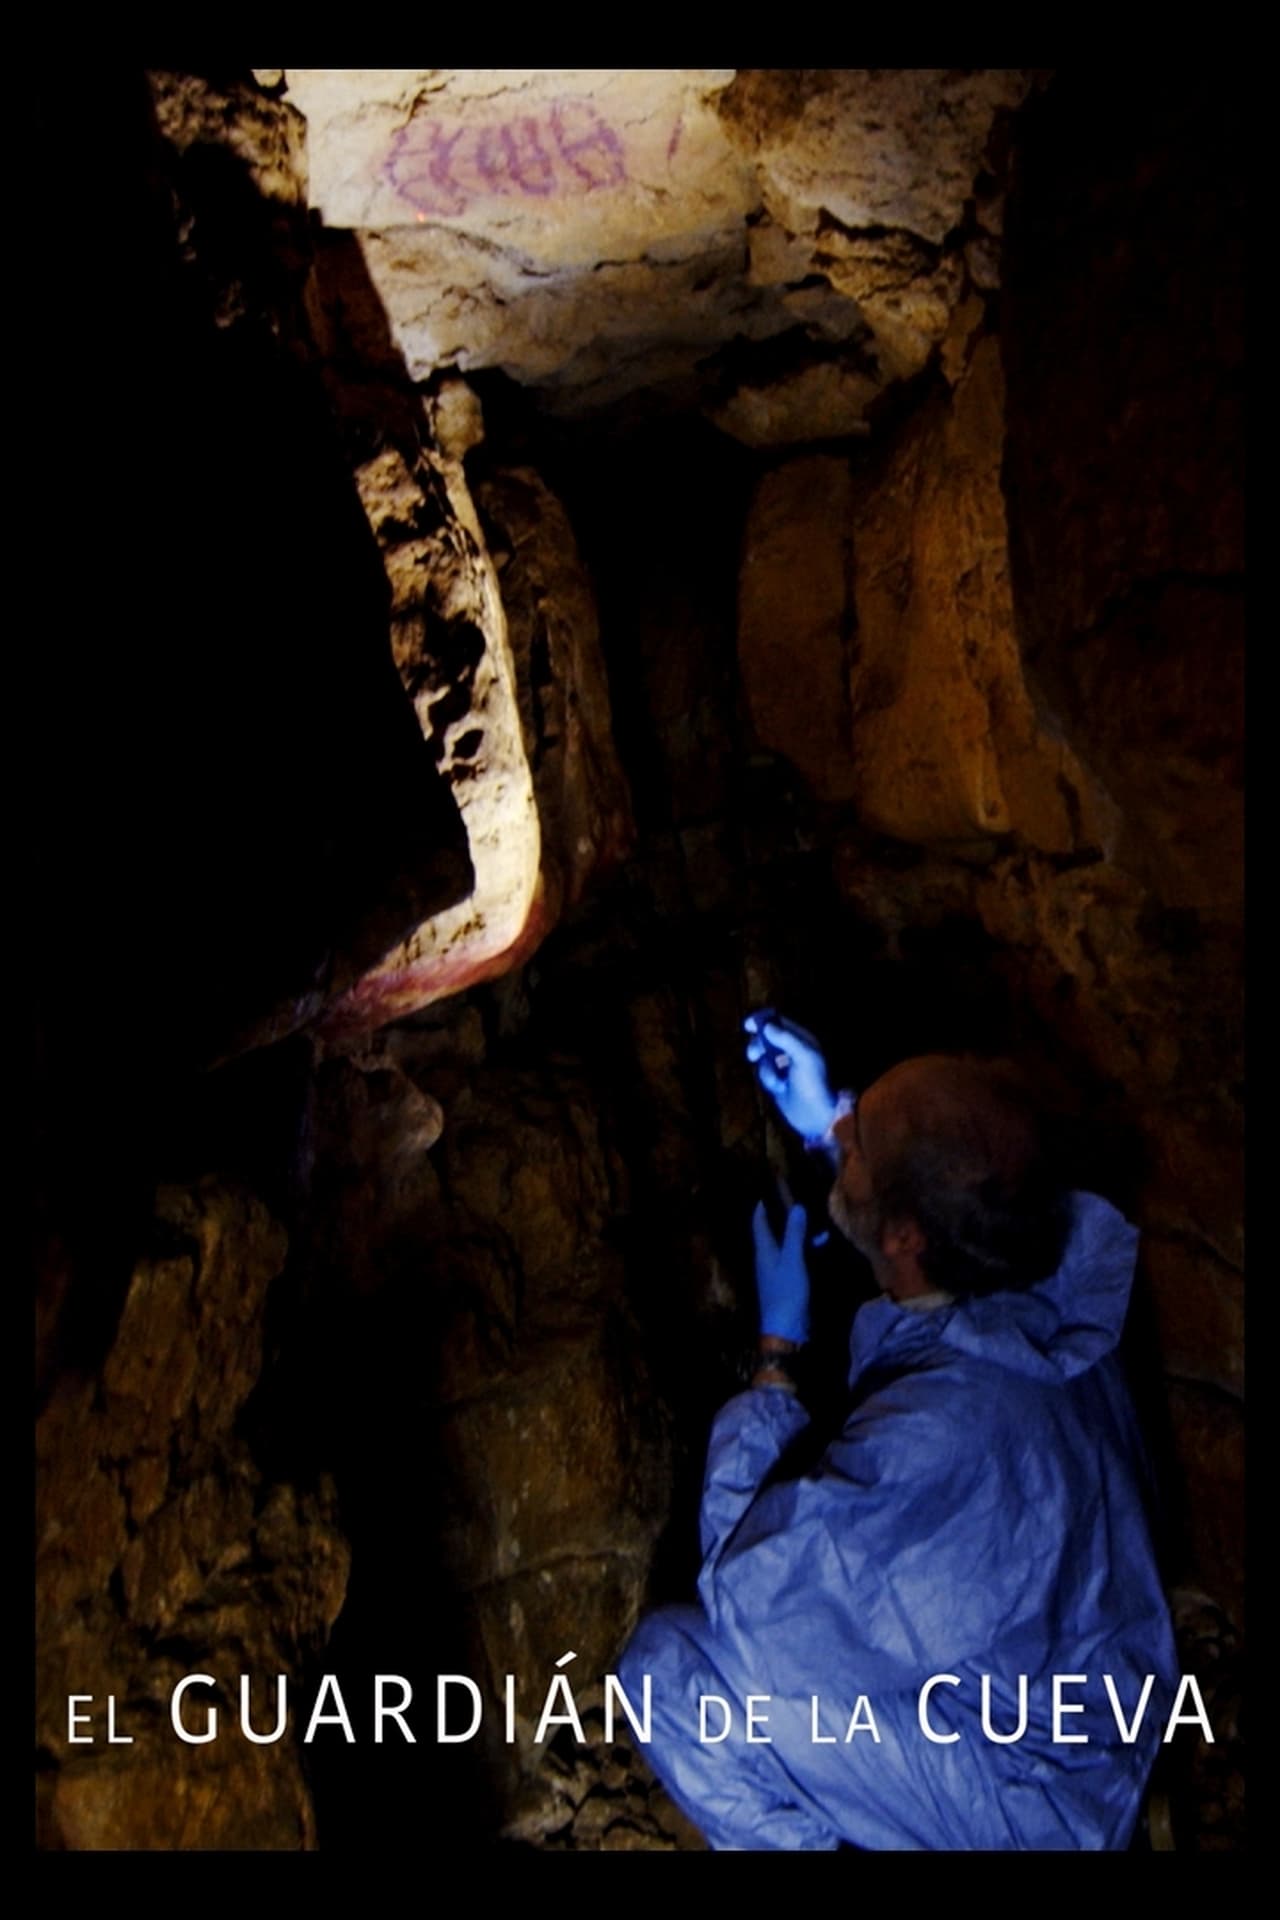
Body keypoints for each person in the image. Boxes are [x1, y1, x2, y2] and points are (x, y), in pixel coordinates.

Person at [618, 1011, 1179, 1850]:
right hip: (1088, 1716)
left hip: (1031, 1797)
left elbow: (750, 1594)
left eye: (859, 1144)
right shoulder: (1041, 1276)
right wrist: (830, 1122)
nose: (844, 1138)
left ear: (906, 1236)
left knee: (668, 1671)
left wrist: (776, 1357)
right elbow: (950, 1188)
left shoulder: (936, 1434)